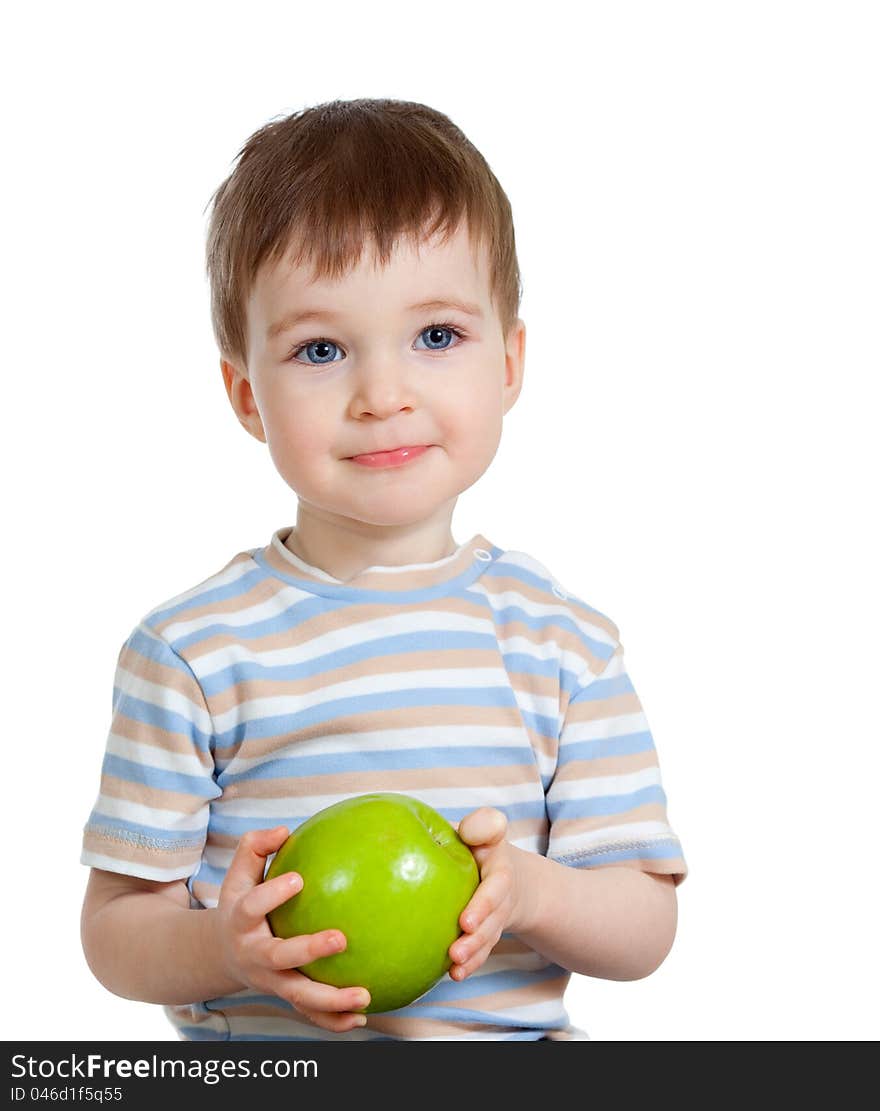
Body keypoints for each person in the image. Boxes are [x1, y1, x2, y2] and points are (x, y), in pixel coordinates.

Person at [80, 97, 687, 1041]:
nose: (383, 395)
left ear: (510, 363)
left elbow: (645, 926)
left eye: (436, 336)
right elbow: (115, 932)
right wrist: (227, 951)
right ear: (247, 394)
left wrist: (527, 890)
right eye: (321, 349)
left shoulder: (563, 644)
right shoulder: (192, 650)